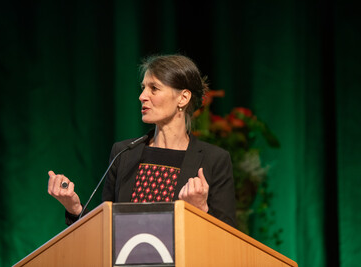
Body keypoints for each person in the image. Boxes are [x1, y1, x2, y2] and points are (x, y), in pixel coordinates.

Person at [48, 54, 237, 227]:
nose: (142, 96)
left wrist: (200, 210)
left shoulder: (214, 160)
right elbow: (106, 231)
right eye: (143, 88)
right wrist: (74, 208)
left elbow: (228, 240)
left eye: (154, 88)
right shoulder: (123, 153)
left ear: (183, 98)